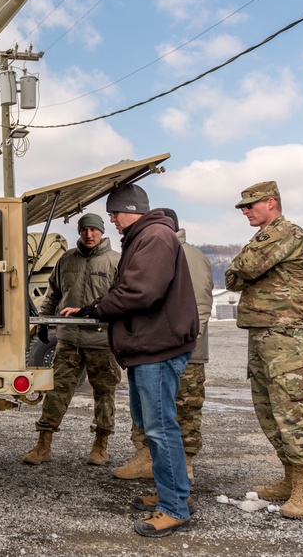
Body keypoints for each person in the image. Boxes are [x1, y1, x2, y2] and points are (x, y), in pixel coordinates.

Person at [63, 184, 198, 537]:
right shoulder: (146, 236)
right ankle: (174, 494)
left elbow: (140, 291)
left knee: (159, 427)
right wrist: (93, 307)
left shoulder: (153, 237)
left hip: (156, 348)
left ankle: (174, 508)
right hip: (146, 348)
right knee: (153, 425)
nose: (112, 221)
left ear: (132, 209)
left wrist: (96, 309)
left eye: (115, 214)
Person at [225, 181, 303, 519]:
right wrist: (241, 268)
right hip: (262, 333)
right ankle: (289, 478)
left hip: (286, 337)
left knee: (290, 411)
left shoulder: (286, 233)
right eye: (243, 207)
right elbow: (231, 279)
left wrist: (242, 267)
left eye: (250, 206)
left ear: (271, 202)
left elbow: (245, 269)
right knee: (267, 410)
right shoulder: (263, 239)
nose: (246, 212)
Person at [113, 208, 213, 488]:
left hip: (180, 348)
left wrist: (184, 348)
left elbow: (200, 305)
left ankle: (185, 471)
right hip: (162, 346)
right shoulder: (150, 248)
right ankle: (153, 466)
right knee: (156, 415)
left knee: (183, 413)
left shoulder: (186, 254)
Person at [22, 213, 121, 466]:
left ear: (102, 231)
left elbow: (122, 300)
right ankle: (43, 445)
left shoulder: (115, 261)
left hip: (102, 341)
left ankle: (100, 446)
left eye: (94, 230)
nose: (89, 235)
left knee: (104, 393)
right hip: (69, 340)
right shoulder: (66, 260)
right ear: (79, 232)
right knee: (57, 391)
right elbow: (53, 294)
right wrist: (44, 322)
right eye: (84, 230)